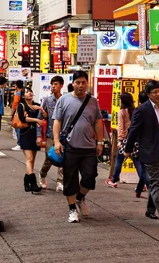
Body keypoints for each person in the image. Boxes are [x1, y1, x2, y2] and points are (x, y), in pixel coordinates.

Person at [53, 71, 103, 223]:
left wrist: (100, 142)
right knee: (70, 180)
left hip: (89, 147)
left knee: (90, 177)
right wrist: (56, 141)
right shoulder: (64, 100)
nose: (81, 85)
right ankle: (72, 210)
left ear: (87, 83)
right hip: (70, 146)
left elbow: (98, 121)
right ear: (73, 83)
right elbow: (57, 121)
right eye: (78, 82)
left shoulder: (93, 101)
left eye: (83, 82)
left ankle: (80, 198)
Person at [125, 80, 159, 224]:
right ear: (148, 94)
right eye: (155, 92)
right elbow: (133, 130)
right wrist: (128, 149)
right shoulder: (142, 110)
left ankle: (150, 209)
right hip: (149, 150)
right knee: (155, 181)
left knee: (158, 181)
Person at [108, 93, 151, 197]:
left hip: (125, 141)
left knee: (119, 160)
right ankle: (143, 183)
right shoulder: (136, 110)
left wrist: (120, 140)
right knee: (137, 162)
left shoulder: (122, 112)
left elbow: (120, 127)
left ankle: (114, 179)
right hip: (136, 140)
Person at [16, 87, 46, 193]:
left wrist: (41, 109)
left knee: (32, 160)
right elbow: (22, 118)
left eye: (30, 91)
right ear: (23, 96)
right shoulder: (21, 105)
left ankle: (26, 182)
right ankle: (33, 183)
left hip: (35, 134)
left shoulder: (37, 104)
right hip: (25, 134)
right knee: (29, 159)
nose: (30, 93)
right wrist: (36, 119)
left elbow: (45, 116)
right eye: (27, 92)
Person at [38, 76, 64, 192]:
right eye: (52, 84)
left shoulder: (65, 100)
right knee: (50, 158)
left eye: (56, 84)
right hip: (50, 134)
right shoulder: (47, 100)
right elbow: (40, 119)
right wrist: (39, 136)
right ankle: (42, 174)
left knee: (63, 159)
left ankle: (60, 181)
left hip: (63, 135)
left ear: (61, 86)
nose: (53, 86)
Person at [10, 80, 24, 151]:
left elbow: (14, 105)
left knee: (17, 127)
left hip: (18, 113)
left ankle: (19, 144)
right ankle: (22, 143)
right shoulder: (24, 92)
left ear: (16, 85)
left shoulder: (18, 94)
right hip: (24, 112)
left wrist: (11, 114)